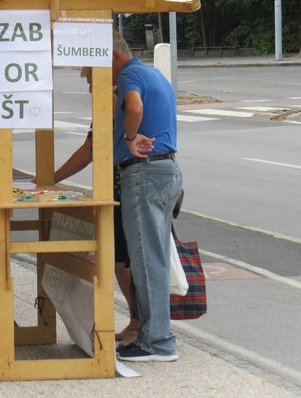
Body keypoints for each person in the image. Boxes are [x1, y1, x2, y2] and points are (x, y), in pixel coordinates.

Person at [52, 67, 140, 347]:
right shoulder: (118, 96)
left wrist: (51, 178)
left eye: (91, 81)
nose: (90, 89)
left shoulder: (114, 100)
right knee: (121, 259)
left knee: (125, 260)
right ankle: (138, 320)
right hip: (118, 187)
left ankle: (140, 321)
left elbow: (90, 150)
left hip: (122, 188)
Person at [112, 30, 183, 362]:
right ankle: (155, 334)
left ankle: (157, 341)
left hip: (144, 173)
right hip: (167, 170)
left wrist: (128, 137)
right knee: (153, 256)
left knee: (146, 260)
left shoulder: (129, 74)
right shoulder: (154, 73)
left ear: (113, 56)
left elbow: (135, 107)